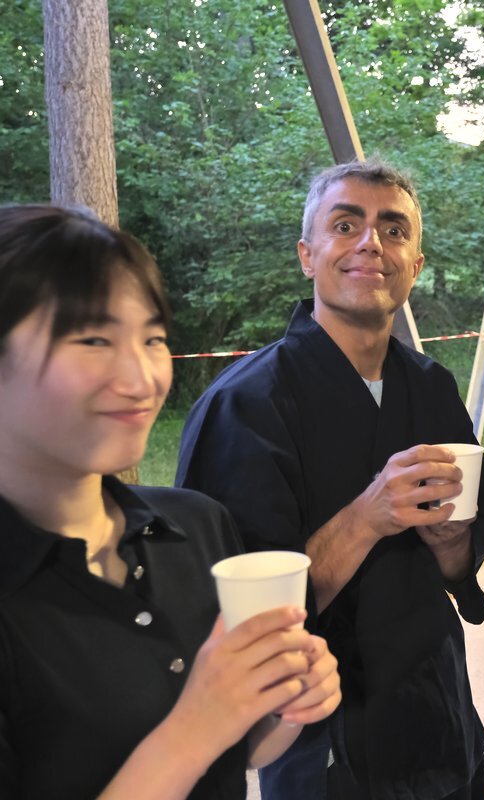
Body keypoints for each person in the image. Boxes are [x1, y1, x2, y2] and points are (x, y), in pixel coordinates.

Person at [176, 159, 484, 800]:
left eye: (393, 229)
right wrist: (367, 516)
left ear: (414, 263)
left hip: (444, 726)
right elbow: (241, 619)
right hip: (327, 747)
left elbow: (462, 559)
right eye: (345, 224)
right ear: (308, 254)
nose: (370, 244)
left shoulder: (431, 386)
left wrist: (450, 546)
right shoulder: (246, 405)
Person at [0, 204, 341, 798]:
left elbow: (240, 750)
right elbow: (202, 734)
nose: (141, 378)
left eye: (153, 338)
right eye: (93, 338)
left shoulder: (194, 524)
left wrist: (283, 704)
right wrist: (197, 725)